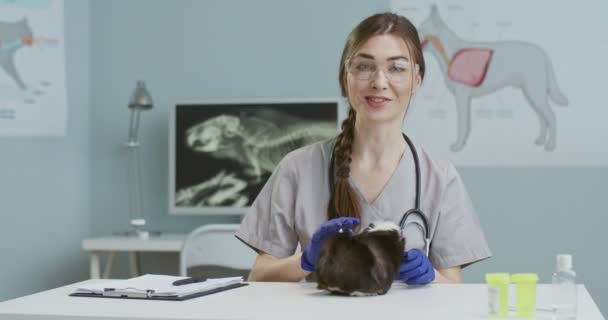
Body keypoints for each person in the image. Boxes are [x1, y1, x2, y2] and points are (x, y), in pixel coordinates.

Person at [235, 12, 491, 284]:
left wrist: (430, 277)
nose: (379, 82)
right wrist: (305, 260)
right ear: (345, 77)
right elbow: (259, 275)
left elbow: (453, 287)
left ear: (417, 78)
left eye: (397, 68)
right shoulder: (297, 168)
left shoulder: (439, 177)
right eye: (364, 66)